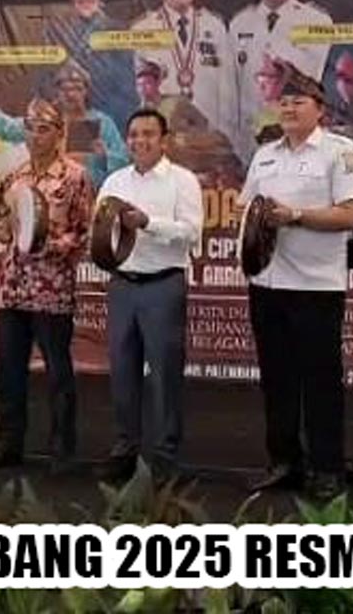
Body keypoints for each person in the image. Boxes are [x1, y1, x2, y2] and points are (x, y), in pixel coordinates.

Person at [240, 66, 353, 499]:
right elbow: (248, 209)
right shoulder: (265, 154)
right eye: (284, 102)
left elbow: (351, 215)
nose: (289, 108)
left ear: (320, 109)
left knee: (320, 381)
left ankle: (327, 467)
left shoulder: (340, 152)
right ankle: (284, 462)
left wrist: (295, 215)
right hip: (267, 282)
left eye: (299, 101)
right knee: (276, 379)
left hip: (315, 286)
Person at [0, 99, 92, 472]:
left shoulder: (74, 176)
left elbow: (83, 232)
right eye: (30, 128)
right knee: (8, 369)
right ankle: (9, 445)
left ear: (59, 134)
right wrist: (0, 222)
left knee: (57, 370)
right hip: (12, 287)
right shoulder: (15, 176)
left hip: (52, 287)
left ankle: (62, 449)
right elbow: (2, 225)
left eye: (44, 129)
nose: (36, 136)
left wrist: (48, 245)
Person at [96, 108, 203, 483]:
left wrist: (148, 223)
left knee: (164, 372)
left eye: (148, 134)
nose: (140, 141)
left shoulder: (182, 181)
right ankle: (125, 447)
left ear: (164, 140)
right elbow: (102, 229)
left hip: (163, 284)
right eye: (134, 135)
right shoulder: (114, 181)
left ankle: (165, 455)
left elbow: (192, 232)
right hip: (123, 285)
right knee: (122, 370)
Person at [131, 0, 240, 166]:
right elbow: (139, 97)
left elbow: (227, 92)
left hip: (208, 144)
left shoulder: (215, 25)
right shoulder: (142, 28)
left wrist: (224, 140)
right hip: (164, 144)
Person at [231, 0, 332, 167]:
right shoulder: (239, 23)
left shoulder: (316, 20)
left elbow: (307, 77)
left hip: (297, 130)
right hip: (250, 138)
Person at [0, 59, 127, 187]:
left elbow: (124, 160)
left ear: (86, 91)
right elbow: (10, 128)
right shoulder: (48, 118)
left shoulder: (103, 122)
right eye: (65, 89)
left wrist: (104, 156)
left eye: (77, 88)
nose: (71, 94)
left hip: (90, 192)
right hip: (52, 192)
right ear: (57, 92)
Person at [41, 0, 140, 128]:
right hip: (66, 122)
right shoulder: (55, 31)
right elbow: (44, 84)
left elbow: (128, 91)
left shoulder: (117, 30)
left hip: (110, 121)